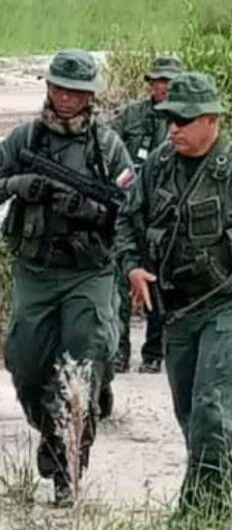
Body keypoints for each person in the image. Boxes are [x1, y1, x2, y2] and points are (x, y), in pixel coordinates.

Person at [117, 72, 232, 522]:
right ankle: (206, 500)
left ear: (211, 120)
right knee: (188, 411)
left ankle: (205, 511)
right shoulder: (157, 165)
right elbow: (126, 221)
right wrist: (132, 266)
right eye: (170, 119)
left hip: (229, 304)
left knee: (211, 406)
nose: (173, 127)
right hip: (177, 312)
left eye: (185, 119)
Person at [1, 50, 133, 506]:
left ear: (90, 95)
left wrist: (89, 211)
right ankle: (50, 432)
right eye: (59, 88)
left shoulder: (106, 147)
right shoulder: (26, 140)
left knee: (82, 366)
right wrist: (17, 186)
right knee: (25, 363)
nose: (66, 97)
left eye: (76, 91)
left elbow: (130, 209)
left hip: (88, 273)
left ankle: (66, 469)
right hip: (36, 270)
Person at [109, 55, 183, 380]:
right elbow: (106, 149)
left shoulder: (186, 120)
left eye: (169, 81)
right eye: (158, 80)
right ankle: (118, 351)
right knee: (121, 279)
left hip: (167, 216)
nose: (163, 86)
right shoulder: (130, 116)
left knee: (160, 284)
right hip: (129, 210)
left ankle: (154, 353)